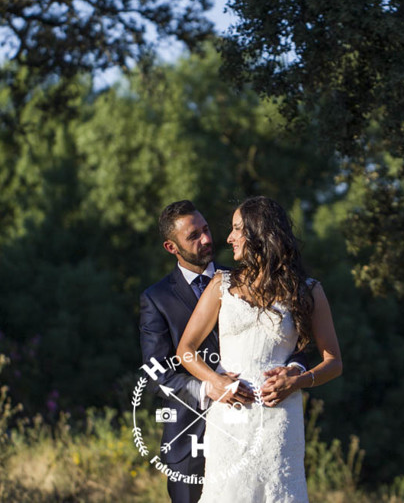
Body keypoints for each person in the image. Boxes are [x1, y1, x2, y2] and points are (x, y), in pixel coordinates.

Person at [177, 196, 343, 503]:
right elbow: (185, 349)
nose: (228, 238)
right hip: (229, 417)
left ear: (260, 233)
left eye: (238, 229)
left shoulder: (308, 291)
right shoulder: (221, 284)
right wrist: (214, 381)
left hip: (279, 419)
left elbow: (333, 362)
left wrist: (298, 381)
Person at [140, 200, 308, 503]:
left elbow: (291, 342)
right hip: (189, 437)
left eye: (205, 229)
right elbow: (156, 374)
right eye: (193, 236)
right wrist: (210, 385)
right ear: (171, 246)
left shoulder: (247, 279)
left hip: (256, 425)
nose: (206, 239)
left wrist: (293, 371)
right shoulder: (157, 298)